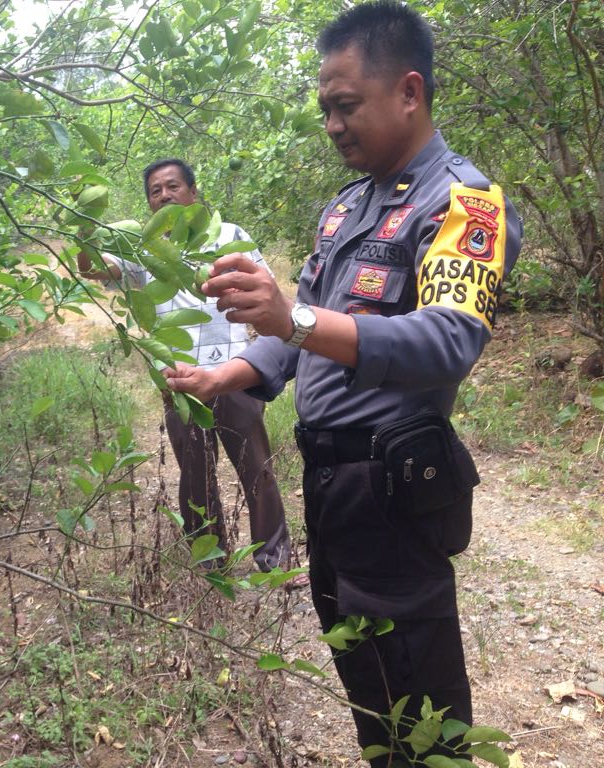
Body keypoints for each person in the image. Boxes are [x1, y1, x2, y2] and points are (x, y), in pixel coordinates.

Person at [163, 3, 522, 764]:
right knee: (365, 676)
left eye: (345, 105)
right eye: (325, 108)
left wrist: (292, 320)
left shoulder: (464, 204)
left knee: (420, 695)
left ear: (409, 92)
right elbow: (299, 337)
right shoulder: (345, 209)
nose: (332, 125)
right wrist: (222, 372)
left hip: (395, 482)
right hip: (330, 483)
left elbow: (449, 340)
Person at [77, 159, 293, 573]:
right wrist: (83, 230)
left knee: (256, 469)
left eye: (172, 186)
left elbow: (269, 294)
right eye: (155, 191)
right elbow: (93, 269)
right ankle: (211, 562)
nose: (164, 195)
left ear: (193, 193)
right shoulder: (143, 249)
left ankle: (276, 560)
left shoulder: (229, 236)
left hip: (235, 374)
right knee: (195, 475)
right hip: (180, 381)